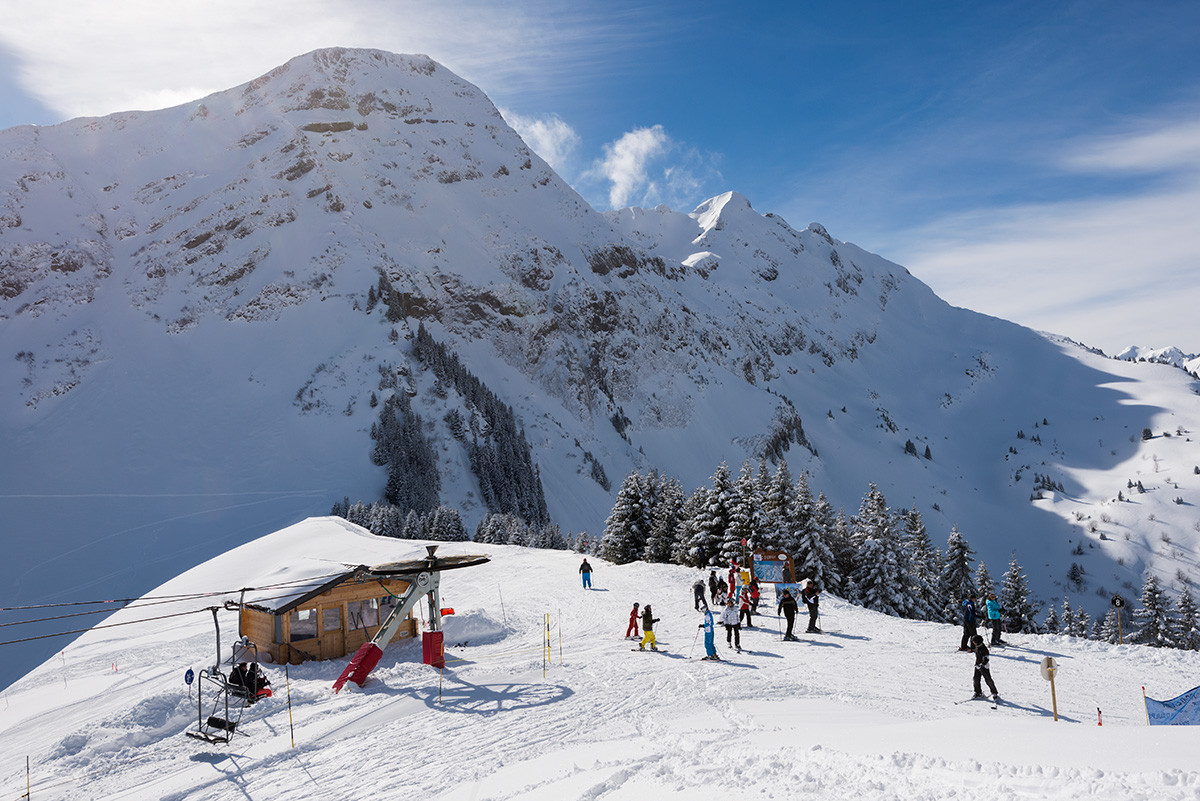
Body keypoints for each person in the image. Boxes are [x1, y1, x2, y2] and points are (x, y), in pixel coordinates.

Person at [970, 634, 999, 700]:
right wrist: (977, 665)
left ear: (977, 642)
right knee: (976, 679)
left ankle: (994, 692)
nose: (973, 642)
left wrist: (981, 664)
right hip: (977, 666)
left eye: (974, 641)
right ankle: (978, 692)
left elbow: (986, 659)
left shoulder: (984, 649)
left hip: (984, 667)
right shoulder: (977, 646)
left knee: (988, 680)